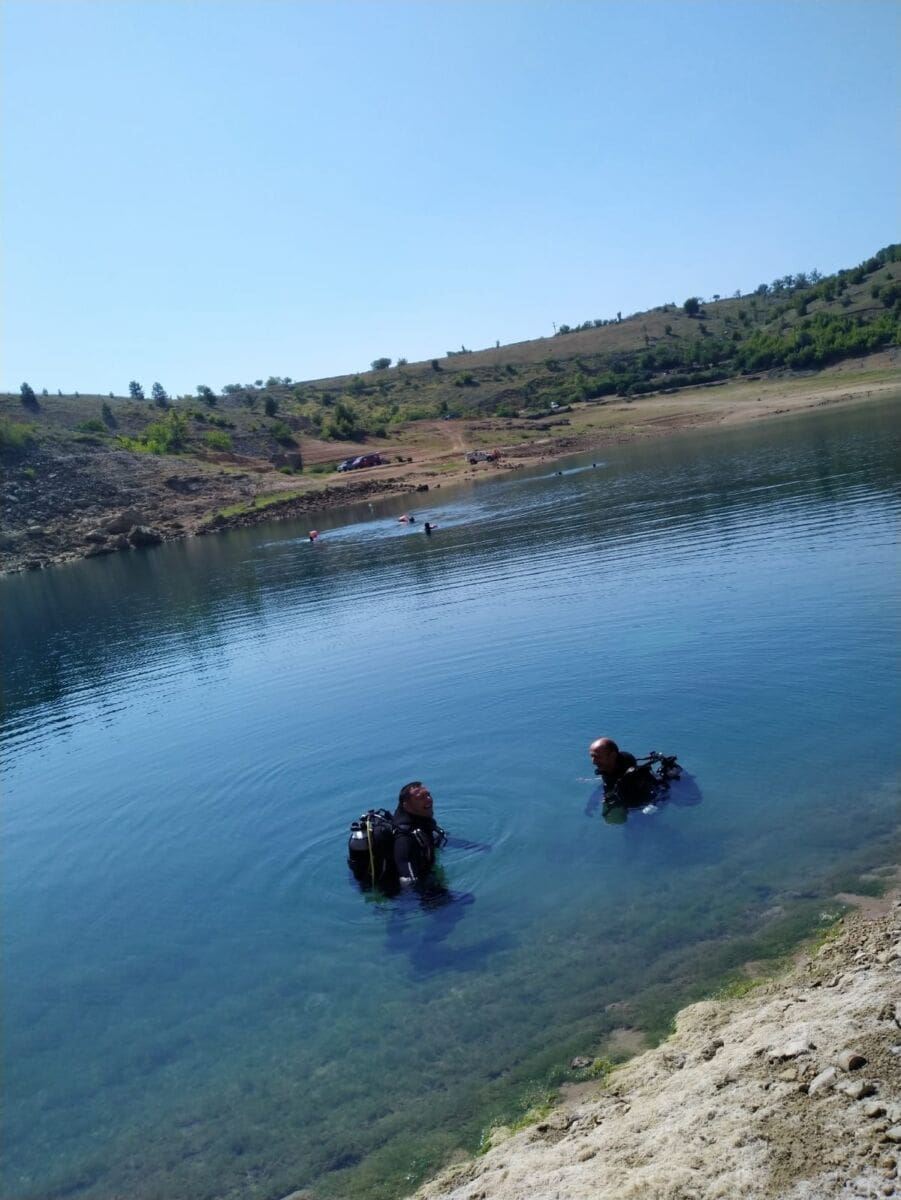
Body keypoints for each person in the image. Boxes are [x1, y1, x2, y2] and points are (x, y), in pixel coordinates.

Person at [392, 781, 446, 885]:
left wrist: (472, 847)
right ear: (406, 806)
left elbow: (436, 838)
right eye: (421, 797)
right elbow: (407, 880)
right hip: (408, 888)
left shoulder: (422, 820)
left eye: (428, 794)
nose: (429, 799)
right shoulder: (404, 837)